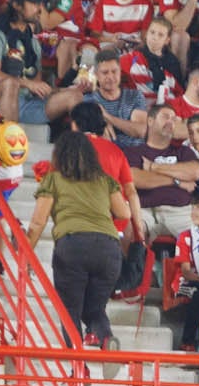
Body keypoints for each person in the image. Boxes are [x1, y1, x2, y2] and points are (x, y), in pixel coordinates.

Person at [24, 130, 130, 351]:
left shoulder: (53, 179)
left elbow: (37, 222)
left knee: (70, 309)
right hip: (109, 248)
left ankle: (77, 366)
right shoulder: (105, 180)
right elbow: (124, 214)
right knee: (94, 310)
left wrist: (26, 254)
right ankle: (106, 338)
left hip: (72, 247)